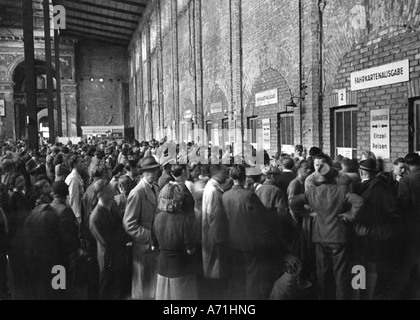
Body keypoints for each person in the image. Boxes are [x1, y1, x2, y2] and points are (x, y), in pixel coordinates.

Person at [290, 163, 364, 300]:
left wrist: (308, 213)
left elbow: (293, 202)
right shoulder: (340, 192)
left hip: (320, 238)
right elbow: (359, 202)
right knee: (341, 274)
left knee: (323, 275)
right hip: (338, 237)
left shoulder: (312, 192)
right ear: (334, 178)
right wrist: (349, 215)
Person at [350, 158, 400, 300]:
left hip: (363, 233)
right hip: (380, 234)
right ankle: (370, 295)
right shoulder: (385, 187)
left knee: (359, 264)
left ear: (361, 172)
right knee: (372, 265)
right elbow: (393, 214)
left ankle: (358, 294)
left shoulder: (358, 188)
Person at [222, 164, 273, 300]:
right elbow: (264, 217)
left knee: (237, 276)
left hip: (232, 242)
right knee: (252, 277)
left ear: (231, 177)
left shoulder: (225, 196)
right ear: (245, 178)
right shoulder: (249, 196)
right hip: (250, 242)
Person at [123, 156, 161, 300]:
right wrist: (148, 236)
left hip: (153, 245)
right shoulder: (137, 193)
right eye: (152, 170)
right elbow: (129, 224)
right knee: (141, 284)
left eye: (156, 169)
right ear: (144, 172)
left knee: (151, 284)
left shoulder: (155, 188)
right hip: (143, 246)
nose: (156, 172)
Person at [152, 182, 197, 300]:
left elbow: (154, 245)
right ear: (178, 200)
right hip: (180, 269)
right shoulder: (185, 220)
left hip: (162, 269)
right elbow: (190, 250)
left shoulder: (157, 218)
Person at [89, 180, 128, 300]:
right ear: (100, 194)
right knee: (107, 289)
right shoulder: (95, 217)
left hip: (118, 254)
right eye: (108, 191)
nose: (112, 192)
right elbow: (105, 242)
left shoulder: (112, 205)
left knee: (118, 288)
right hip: (108, 258)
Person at [202, 164, 230, 300]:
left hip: (211, 234)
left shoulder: (212, 187)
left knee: (213, 267)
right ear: (217, 174)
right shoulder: (213, 191)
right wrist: (220, 239)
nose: (227, 175)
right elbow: (214, 217)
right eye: (225, 173)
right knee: (215, 268)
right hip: (215, 236)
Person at [65, 155, 85, 224]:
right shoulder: (73, 178)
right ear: (75, 164)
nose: (83, 164)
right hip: (74, 213)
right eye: (81, 162)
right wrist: (77, 216)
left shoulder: (77, 176)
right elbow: (74, 198)